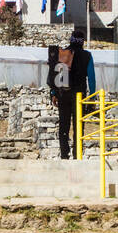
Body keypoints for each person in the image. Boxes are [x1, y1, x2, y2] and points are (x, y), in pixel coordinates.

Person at [48, 29, 96, 160]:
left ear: (71, 40)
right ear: (82, 42)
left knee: (64, 125)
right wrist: (92, 98)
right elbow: (91, 79)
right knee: (78, 125)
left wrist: (53, 93)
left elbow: (54, 75)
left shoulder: (63, 53)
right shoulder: (87, 55)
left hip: (63, 94)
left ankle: (64, 154)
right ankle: (77, 154)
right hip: (79, 97)